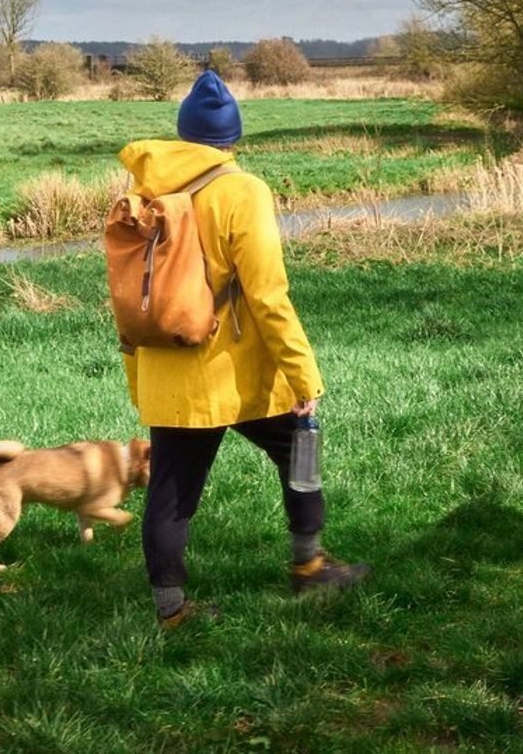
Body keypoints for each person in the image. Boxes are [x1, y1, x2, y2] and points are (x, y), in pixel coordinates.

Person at [117, 69, 369, 629]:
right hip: (238, 372)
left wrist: (138, 377)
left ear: (183, 135)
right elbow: (268, 295)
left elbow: (133, 296)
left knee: (171, 490)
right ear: (234, 139)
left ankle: (171, 611)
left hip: (167, 366)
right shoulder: (242, 190)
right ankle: (309, 567)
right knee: (300, 453)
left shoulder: (143, 194)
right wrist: (303, 376)